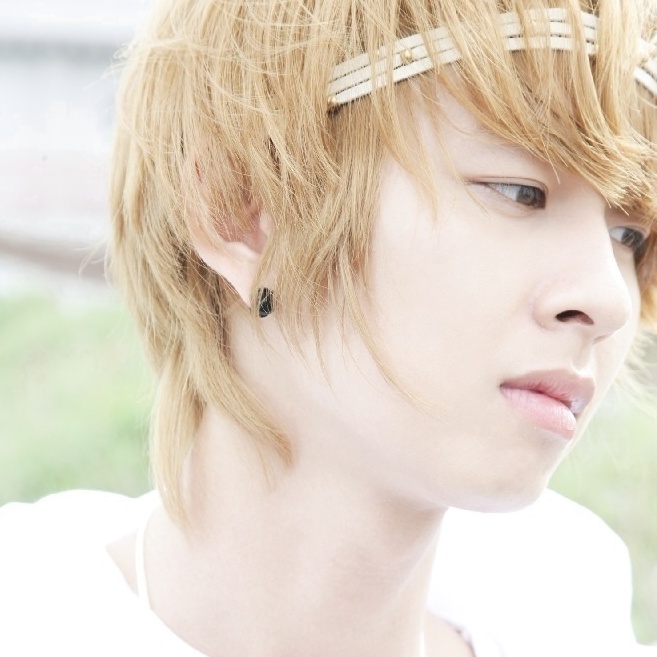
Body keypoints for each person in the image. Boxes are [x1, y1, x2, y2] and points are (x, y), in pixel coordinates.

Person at [1, 0, 656, 655]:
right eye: (518, 191)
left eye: (629, 235)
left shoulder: (561, 610)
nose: (608, 299)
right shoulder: (36, 616)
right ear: (241, 208)